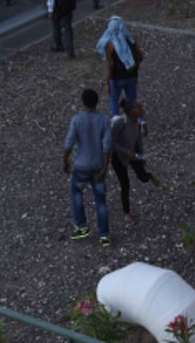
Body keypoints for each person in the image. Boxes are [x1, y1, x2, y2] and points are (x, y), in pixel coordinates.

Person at [62, 88, 112, 247]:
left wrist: (65, 161)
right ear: (97, 102)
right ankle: (104, 235)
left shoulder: (77, 120)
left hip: (81, 166)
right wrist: (104, 168)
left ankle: (82, 226)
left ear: (83, 102)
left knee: (76, 192)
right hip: (98, 165)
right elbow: (107, 146)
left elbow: (69, 143)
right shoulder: (104, 120)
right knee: (100, 201)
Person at [110, 99, 159, 225]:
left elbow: (139, 142)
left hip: (132, 154)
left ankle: (150, 176)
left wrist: (142, 157)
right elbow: (111, 142)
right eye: (138, 107)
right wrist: (125, 152)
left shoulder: (137, 123)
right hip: (118, 157)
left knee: (142, 177)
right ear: (132, 112)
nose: (142, 108)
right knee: (125, 184)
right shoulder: (120, 122)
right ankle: (126, 212)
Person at [97, 16, 144, 119]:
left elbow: (109, 65)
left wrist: (107, 82)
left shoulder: (109, 45)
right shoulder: (131, 38)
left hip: (117, 77)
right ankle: (140, 121)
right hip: (131, 75)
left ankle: (117, 120)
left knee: (113, 100)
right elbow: (140, 56)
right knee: (132, 100)